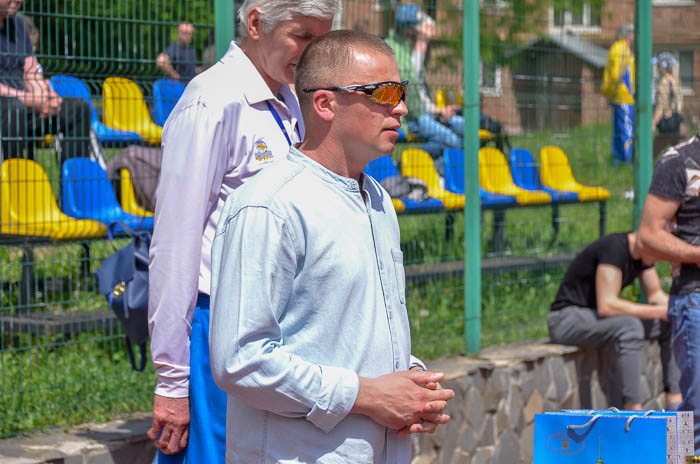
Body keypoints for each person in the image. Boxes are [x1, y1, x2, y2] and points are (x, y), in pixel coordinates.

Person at [209, 29, 454, 462]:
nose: (401, 107)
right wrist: (367, 395)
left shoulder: (377, 198)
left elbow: (352, 332)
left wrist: (411, 382)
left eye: (402, 91)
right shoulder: (269, 205)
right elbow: (240, 360)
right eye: (382, 92)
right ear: (324, 104)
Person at [146, 0, 338, 462]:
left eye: (322, 38)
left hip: (274, 330)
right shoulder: (212, 102)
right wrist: (172, 381)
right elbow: (175, 247)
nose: (313, 54)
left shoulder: (291, 97)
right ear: (255, 23)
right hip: (218, 325)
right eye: (301, 36)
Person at [547, 232, 682, 411]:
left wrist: (682, 309)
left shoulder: (644, 257)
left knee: (670, 323)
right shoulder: (615, 249)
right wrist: (658, 311)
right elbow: (607, 305)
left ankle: (677, 406)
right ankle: (633, 412)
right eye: (661, 253)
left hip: (595, 319)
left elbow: (656, 295)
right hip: (566, 319)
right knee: (630, 326)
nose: (661, 261)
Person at [637, 134, 700, 453]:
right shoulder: (680, 161)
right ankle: (681, 459)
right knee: (695, 416)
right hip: (695, 297)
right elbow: (647, 236)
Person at [0, 0, 91, 160]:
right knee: (15, 109)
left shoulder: (19, 25)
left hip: (24, 105)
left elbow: (30, 70)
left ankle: (73, 180)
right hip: (8, 107)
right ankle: (13, 179)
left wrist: (45, 97)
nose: (19, 1)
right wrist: (29, 99)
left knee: (78, 109)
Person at [385, 3, 462, 174]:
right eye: (419, 27)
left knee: (464, 127)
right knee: (453, 140)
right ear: (408, 30)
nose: (423, 30)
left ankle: (431, 173)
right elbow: (410, 100)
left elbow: (420, 90)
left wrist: (436, 110)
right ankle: (408, 163)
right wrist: (434, 112)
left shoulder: (410, 49)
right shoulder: (395, 51)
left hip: (422, 112)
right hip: (408, 117)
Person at [601, 23, 635, 165]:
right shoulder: (622, 49)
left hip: (618, 96)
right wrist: (615, 91)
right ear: (628, 35)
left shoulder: (616, 48)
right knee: (627, 130)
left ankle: (618, 160)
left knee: (618, 130)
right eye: (633, 34)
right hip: (623, 97)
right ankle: (628, 161)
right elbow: (616, 75)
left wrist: (608, 93)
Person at [652, 52, 686, 159]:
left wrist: (653, 123)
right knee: (682, 157)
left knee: (648, 155)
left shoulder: (664, 82)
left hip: (668, 125)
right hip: (679, 124)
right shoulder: (675, 81)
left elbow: (660, 106)